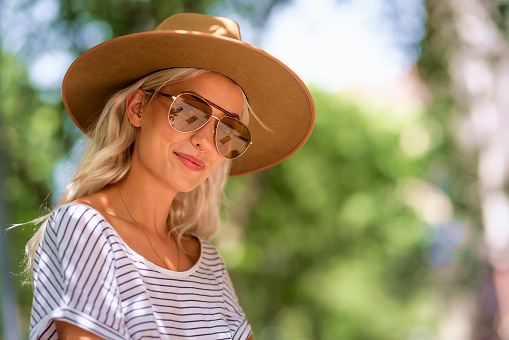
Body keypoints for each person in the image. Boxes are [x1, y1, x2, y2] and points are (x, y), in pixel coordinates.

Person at [25, 13, 315, 340]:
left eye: (228, 130)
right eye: (189, 110)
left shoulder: (209, 265)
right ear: (137, 108)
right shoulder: (84, 227)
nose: (205, 141)